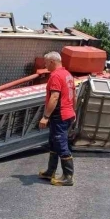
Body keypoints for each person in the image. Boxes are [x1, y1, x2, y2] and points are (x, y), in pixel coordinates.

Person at [38, 51, 76, 186]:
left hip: (59, 115)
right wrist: (73, 112)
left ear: (52, 62)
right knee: (54, 142)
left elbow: (54, 97)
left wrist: (45, 117)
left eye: (46, 62)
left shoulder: (55, 76)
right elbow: (72, 96)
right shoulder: (67, 75)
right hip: (67, 113)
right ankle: (50, 171)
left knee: (60, 144)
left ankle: (68, 176)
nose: (45, 65)